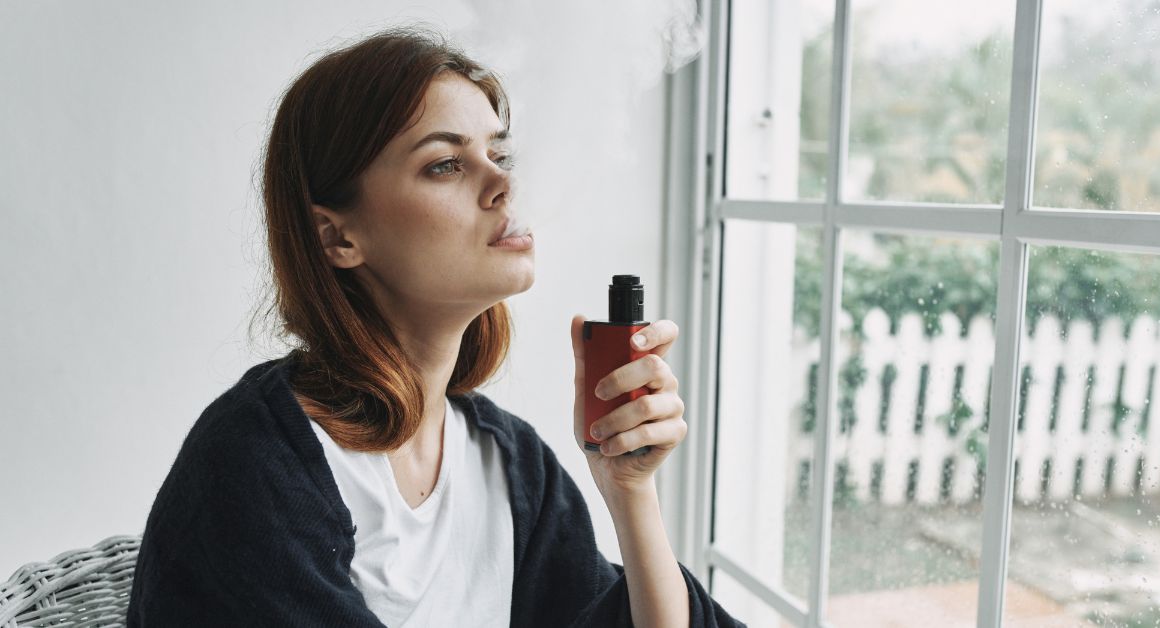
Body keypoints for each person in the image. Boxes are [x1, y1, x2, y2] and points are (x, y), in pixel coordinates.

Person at [126, 27, 742, 628]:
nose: (504, 183)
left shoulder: (511, 464)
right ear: (338, 236)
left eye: (499, 154)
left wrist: (629, 491)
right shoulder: (256, 462)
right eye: (446, 164)